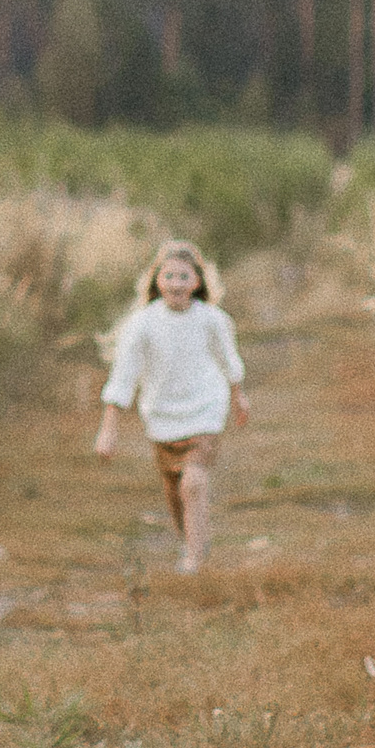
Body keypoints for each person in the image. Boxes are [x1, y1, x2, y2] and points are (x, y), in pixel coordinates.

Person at [94, 239, 248, 574]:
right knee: (175, 491)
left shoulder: (213, 319)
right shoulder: (141, 325)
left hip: (205, 410)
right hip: (162, 418)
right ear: (157, 281)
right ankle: (193, 540)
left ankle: (193, 558)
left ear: (197, 282)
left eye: (184, 276)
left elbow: (228, 360)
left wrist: (238, 396)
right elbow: (123, 378)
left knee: (193, 482)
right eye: (169, 276)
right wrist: (108, 431)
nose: (176, 283)